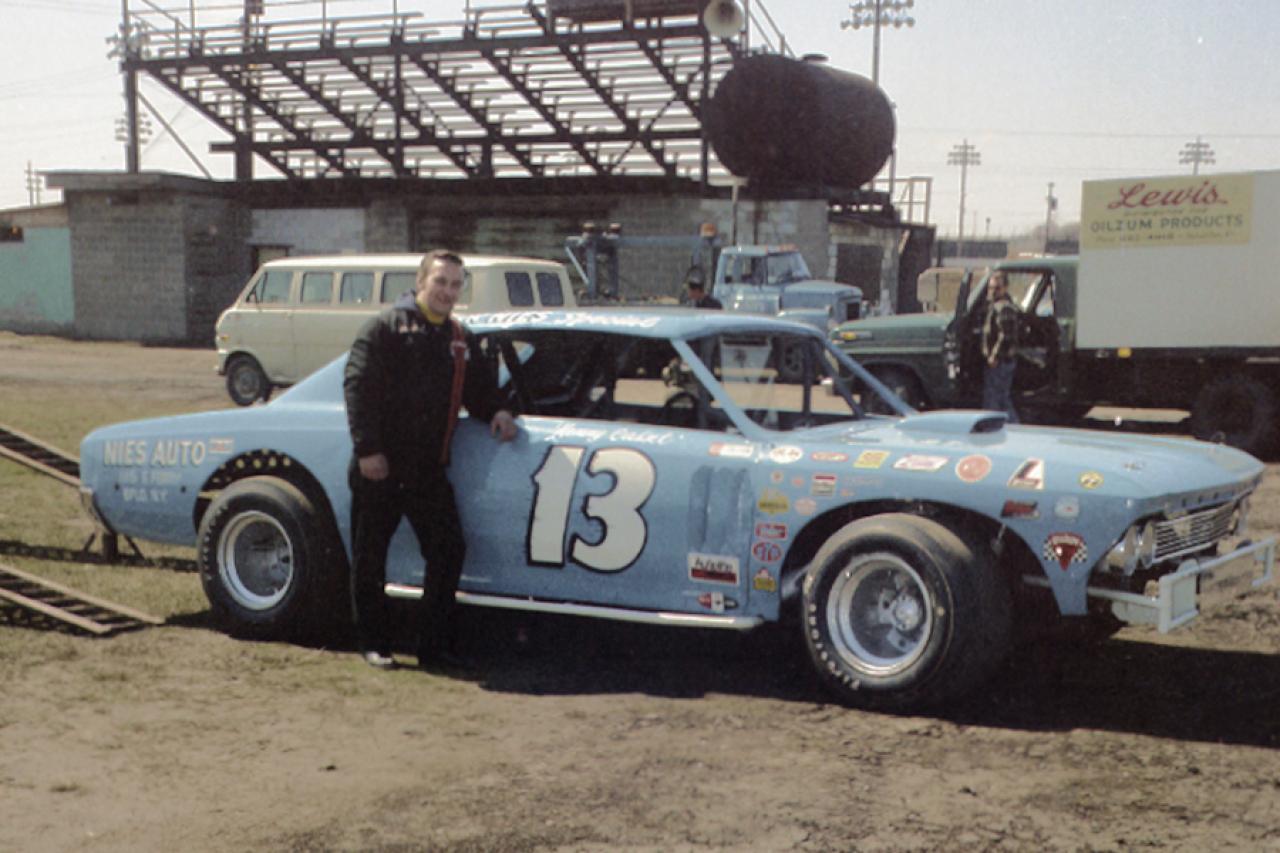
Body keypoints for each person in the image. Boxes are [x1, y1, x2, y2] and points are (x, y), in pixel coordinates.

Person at [344, 249, 517, 671]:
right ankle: (373, 642)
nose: (447, 291)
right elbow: (357, 387)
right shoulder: (385, 327)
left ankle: (433, 646)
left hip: (426, 469)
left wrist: (497, 411)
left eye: (456, 284)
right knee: (370, 555)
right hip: (381, 466)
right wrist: (368, 450)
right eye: (440, 281)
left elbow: (478, 390)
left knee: (448, 550)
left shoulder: (460, 337)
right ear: (421, 282)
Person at [981, 270, 1020, 423]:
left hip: (1001, 362)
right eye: (991, 288)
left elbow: (1006, 336)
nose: (993, 291)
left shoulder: (1004, 308)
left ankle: (1013, 426)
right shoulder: (994, 307)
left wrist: (994, 356)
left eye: (997, 288)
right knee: (998, 398)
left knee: (998, 399)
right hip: (999, 361)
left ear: (1005, 288)